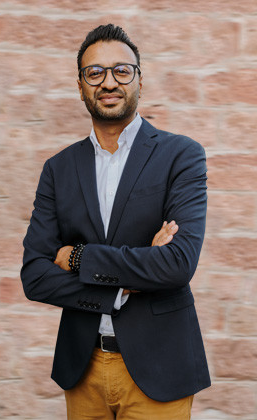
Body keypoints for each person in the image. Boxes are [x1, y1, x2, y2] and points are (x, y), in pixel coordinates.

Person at [20, 23, 210, 419]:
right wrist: (122, 286)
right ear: (80, 86)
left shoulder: (181, 155)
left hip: (159, 368)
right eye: (95, 73)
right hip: (83, 368)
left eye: (122, 70)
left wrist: (77, 258)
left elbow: (177, 264)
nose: (109, 82)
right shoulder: (58, 168)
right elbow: (35, 275)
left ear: (140, 80)